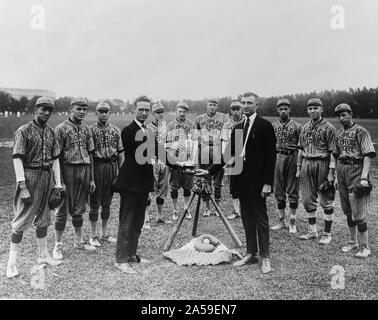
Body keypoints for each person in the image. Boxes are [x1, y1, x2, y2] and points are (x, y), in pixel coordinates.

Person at [196, 92, 276, 274]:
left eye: (250, 103)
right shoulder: (239, 127)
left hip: (258, 182)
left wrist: (267, 183)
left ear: (257, 105)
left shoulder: (265, 126)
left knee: (261, 219)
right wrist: (209, 170)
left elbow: (271, 157)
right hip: (241, 179)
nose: (246, 106)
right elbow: (227, 154)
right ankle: (251, 253)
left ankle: (265, 257)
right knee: (247, 218)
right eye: (244, 103)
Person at [112, 96, 177, 274]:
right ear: (134, 110)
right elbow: (144, 151)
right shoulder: (128, 131)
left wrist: (179, 165)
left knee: (138, 221)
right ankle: (120, 259)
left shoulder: (147, 131)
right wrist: (156, 148)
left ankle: (132, 254)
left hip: (143, 183)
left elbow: (158, 151)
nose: (143, 113)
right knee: (126, 221)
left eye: (146, 110)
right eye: (140, 109)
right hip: (130, 183)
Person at [6, 97, 63, 278]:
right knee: (22, 220)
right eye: (43, 109)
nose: (46, 113)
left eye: (49, 110)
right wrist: (22, 185)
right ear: (36, 109)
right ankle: (11, 263)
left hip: (46, 176)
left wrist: (58, 185)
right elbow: (17, 159)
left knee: (44, 217)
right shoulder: (23, 131)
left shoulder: (51, 132)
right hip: (30, 176)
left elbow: (55, 160)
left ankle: (43, 255)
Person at [53, 97, 97, 260]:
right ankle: (58, 246)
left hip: (84, 170)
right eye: (79, 108)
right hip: (68, 169)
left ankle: (78, 242)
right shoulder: (61, 129)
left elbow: (90, 155)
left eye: (85, 109)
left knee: (79, 208)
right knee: (63, 210)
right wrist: (60, 182)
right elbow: (56, 158)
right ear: (71, 108)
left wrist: (92, 179)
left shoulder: (87, 129)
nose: (82, 112)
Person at [333, 103, 376, 258]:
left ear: (351, 114)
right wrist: (336, 176)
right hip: (342, 171)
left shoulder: (361, 131)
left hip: (357, 170)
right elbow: (336, 155)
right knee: (347, 210)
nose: (341, 118)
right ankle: (353, 241)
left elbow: (368, 155)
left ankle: (365, 246)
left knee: (358, 212)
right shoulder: (338, 134)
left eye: (344, 114)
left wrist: (364, 177)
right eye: (339, 115)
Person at [296, 98, 337, 244]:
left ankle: (327, 233)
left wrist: (331, 172)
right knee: (307, 199)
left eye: (315, 108)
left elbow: (333, 152)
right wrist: (299, 168)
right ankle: (312, 231)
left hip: (323, 162)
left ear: (322, 109)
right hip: (307, 162)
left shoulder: (329, 128)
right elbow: (301, 150)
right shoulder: (305, 127)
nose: (312, 111)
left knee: (326, 199)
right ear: (307, 110)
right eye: (310, 108)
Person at [88, 102, 124, 246]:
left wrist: (120, 173)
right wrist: (90, 177)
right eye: (100, 111)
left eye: (106, 111)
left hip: (111, 166)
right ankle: (93, 235)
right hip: (97, 166)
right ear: (96, 113)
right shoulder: (90, 130)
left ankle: (104, 233)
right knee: (95, 203)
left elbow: (121, 152)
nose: (103, 114)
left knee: (107, 203)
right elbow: (90, 155)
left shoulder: (116, 130)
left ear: (110, 113)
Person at [270, 99, 302, 234]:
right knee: (279, 190)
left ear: (290, 110)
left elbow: (302, 147)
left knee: (293, 190)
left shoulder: (297, 126)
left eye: (286, 108)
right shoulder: (273, 125)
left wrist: (300, 164)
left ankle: (292, 221)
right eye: (281, 108)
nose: (283, 111)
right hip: (278, 157)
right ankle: (281, 221)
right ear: (277, 110)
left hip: (293, 157)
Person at [195, 97, 228, 217]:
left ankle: (217, 207)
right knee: (205, 179)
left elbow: (227, 134)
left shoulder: (224, 117)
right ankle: (207, 207)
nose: (213, 107)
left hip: (217, 149)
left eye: (215, 105)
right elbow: (195, 133)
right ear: (206, 105)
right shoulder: (199, 118)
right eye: (211, 104)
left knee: (218, 182)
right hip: (204, 149)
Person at [166, 101, 197, 221]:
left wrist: (193, 160)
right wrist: (173, 144)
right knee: (174, 187)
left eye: (184, 112)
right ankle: (174, 210)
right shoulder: (169, 125)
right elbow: (163, 144)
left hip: (187, 160)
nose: (182, 114)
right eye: (180, 111)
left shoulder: (192, 125)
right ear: (176, 111)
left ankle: (186, 208)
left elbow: (195, 143)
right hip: (174, 160)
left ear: (186, 112)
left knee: (187, 187)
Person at [143, 102, 172, 228]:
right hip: (152, 161)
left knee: (162, 190)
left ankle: (159, 217)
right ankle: (146, 219)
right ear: (153, 114)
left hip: (163, 162)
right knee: (149, 190)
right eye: (157, 112)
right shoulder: (147, 128)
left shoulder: (166, 128)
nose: (160, 114)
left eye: (162, 112)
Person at [222, 100, 244, 220]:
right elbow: (224, 142)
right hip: (232, 157)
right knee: (234, 185)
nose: (236, 112)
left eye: (238, 109)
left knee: (246, 184)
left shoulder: (246, 122)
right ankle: (236, 211)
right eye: (233, 109)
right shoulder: (227, 125)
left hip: (244, 156)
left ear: (241, 110)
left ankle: (246, 210)